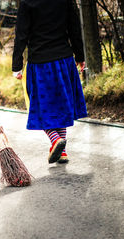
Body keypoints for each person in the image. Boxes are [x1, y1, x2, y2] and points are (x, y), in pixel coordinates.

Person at [12, 0, 87, 164]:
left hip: (40, 63)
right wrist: (80, 56)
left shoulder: (27, 2)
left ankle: (55, 141)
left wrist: (17, 65)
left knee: (40, 107)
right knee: (60, 105)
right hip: (64, 60)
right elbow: (74, 28)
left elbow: (21, 35)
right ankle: (63, 151)